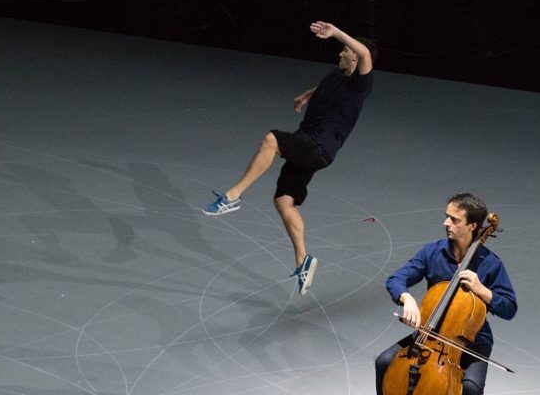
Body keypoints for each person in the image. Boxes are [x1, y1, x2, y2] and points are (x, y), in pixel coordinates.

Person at [202, 21, 376, 296]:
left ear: (354, 54)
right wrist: (308, 95)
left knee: (272, 139)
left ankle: (232, 197)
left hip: (317, 146)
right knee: (284, 201)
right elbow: (326, 87)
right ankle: (303, 261)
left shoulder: (360, 85)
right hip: (309, 143)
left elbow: (365, 55)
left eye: (344, 50)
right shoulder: (336, 74)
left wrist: (337, 33)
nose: (340, 53)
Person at [375, 193, 517, 395]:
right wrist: (407, 299)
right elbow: (396, 279)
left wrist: (482, 290)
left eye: (454, 219)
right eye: (447, 216)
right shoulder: (433, 252)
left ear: (472, 226)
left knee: (470, 388)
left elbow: (509, 307)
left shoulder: (491, 264)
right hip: (429, 333)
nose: (446, 223)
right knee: (384, 362)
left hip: (472, 341)